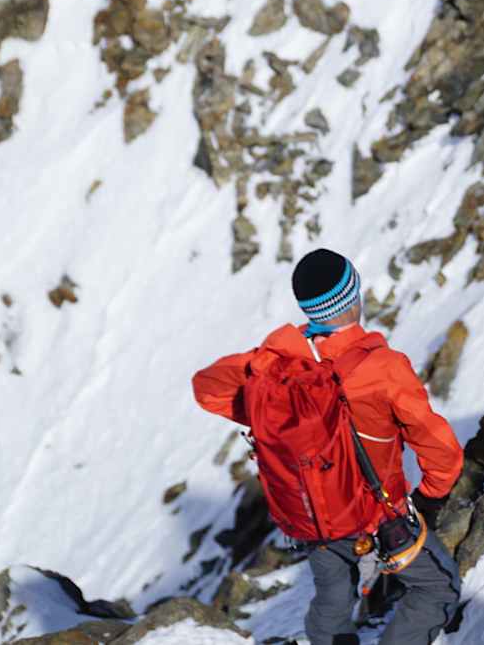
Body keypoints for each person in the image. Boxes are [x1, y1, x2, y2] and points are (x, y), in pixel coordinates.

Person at [193, 249, 464, 645]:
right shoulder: (384, 368)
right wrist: (432, 496)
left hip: (313, 520)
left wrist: (263, 372)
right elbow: (438, 445)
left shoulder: (278, 367)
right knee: (438, 589)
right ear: (354, 295)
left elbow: (206, 387)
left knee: (333, 598)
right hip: (379, 517)